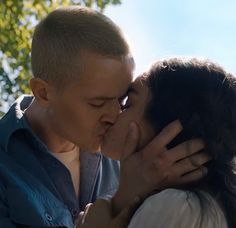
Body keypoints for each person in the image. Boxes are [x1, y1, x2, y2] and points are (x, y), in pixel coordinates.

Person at [0, 6, 208, 228]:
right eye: (97, 103)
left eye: (122, 101)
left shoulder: (137, 159)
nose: (115, 115)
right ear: (43, 92)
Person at [98, 58, 236, 227]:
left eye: (128, 104)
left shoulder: (175, 208)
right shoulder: (210, 206)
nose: (113, 115)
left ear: (169, 127)